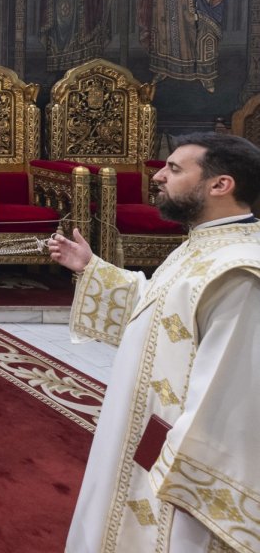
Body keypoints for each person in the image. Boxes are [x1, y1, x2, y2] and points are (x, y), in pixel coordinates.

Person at [46, 133, 260, 552]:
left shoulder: (238, 272)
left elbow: (230, 395)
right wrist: (92, 269)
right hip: (140, 431)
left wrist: (183, 473)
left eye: (175, 169)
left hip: (174, 472)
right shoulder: (205, 244)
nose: (158, 175)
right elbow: (161, 307)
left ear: (221, 185)